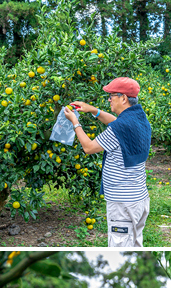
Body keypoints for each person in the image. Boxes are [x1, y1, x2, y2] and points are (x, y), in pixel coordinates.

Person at [64, 77, 152, 248]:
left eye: (112, 95)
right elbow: (116, 122)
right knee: (134, 244)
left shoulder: (118, 129)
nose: (109, 99)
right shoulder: (139, 119)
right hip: (138, 199)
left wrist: (75, 123)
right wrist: (92, 110)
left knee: (119, 248)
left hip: (122, 203)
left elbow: (89, 147)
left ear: (124, 98)